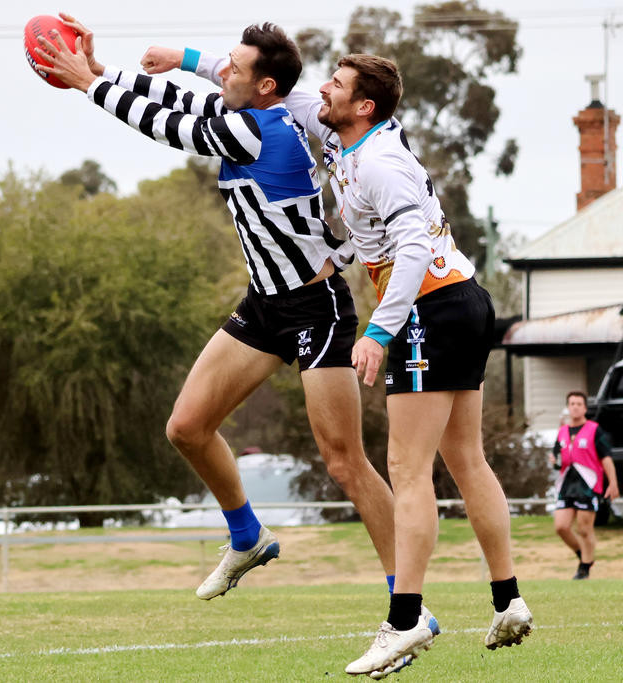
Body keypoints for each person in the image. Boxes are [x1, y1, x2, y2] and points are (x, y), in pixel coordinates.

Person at [141, 45, 530, 677]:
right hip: (461, 296)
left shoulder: (377, 160)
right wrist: (184, 57)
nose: (324, 88)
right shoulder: (340, 130)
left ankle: (403, 621)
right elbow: (247, 82)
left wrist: (379, 329)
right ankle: (507, 599)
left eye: (338, 84)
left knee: (405, 469)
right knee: (465, 458)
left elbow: (407, 250)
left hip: (430, 306)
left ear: (364, 104)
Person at [34, 18, 400, 601]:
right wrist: (102, 72)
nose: (222, 69)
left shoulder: (258, 131)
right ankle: (247, 536)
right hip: (264, 305)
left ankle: (407, 602)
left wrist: (87, 86)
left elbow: (168, 125)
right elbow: (184, 98)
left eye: (235, 66)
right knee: (186, 427)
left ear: (265, 89)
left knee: (344, 463)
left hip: (315, 307)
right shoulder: (247, 118)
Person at [548, 391, 620, 580]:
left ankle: (584, 569)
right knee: (561, 526)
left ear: (585, 408)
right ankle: (584, 555)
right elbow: (556, 457)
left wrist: (612, 482)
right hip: (566, 484)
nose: (575, 407)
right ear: (568, 407)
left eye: (579, 404)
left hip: (587, 484)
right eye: (572, 403)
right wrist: (554, 460)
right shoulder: (562, 431)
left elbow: (606, 458)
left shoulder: (594, 429)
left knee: (584, 528)